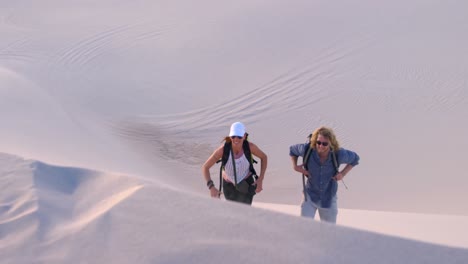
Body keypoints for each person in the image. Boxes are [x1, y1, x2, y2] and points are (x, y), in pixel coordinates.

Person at [289, 126, 359, 223]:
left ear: (331, 143)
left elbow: (355, 159)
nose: (321, 146)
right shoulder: (307, 150)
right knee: (304, 228)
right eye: (318, 142)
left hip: (328, 198)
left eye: (325, 144)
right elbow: (292, 150)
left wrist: (342, 174)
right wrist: (295, 167)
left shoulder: (338, 154)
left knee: (329, 233)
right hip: (309, 197)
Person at [202, 122, 267, 205]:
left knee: (246, 211)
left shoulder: (250, 147)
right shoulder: (223, 150)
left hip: (246, 184)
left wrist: (260, 179)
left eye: (239, 137)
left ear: (244, 136)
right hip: (229, 186)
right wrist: (211, 187)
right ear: (230, 136)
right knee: (233, 212)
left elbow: (264, 157)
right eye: (233, 136)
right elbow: (205, 167)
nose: (236, 139)